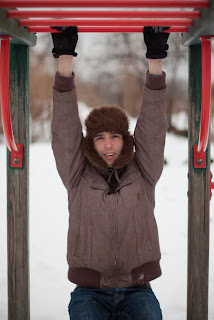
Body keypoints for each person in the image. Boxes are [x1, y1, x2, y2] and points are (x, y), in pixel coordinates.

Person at [51, 26, 169, 320]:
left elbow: (152, 128)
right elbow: (65, 132)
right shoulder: (77, 176)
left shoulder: (144, 171)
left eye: (115, 136)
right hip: (89, 292)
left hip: (138, 290)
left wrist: (155, 62)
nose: (107, 144)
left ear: (125, 140)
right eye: (100, 136)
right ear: (90, 142)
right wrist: (65, 63)